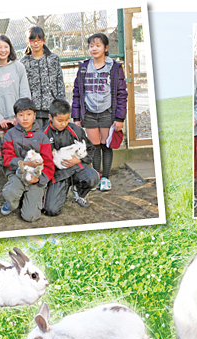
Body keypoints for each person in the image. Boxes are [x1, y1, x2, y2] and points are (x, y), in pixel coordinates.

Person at [71, 32, 127, 191]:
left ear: (106, 47)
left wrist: (120, 117)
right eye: (91, 46)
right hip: (89, 113)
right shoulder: (83, 68)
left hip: (107, 112)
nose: (94, 48)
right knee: (94, 146)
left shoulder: (114, 68)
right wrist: (76, 116)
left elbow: (122, 93)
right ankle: (96, 176)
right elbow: (77, 92)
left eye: (98, 45)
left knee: (106, 145)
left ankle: (105, 178)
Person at [0, 98, 54, 222]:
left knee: (30, 217)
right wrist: (24, 164)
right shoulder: (10, 134)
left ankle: (32, 196)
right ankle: (12, 203)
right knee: (9, 193)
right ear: (16, 117)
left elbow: (49, 163)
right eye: (21, 115)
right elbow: (7, 158)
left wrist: (40, 179)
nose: (25, 118)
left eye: (29, 114)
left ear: (34, 116)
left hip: (35, 177)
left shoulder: (41, 137)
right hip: (17, 174)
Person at [43, 99, 99, 215]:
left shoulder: (76, 130)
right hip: (58, 174)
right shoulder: (43, 134)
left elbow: (90, 149)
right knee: (51, 210)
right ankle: (58, 190)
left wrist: (79, 160)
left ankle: (80, 192)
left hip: (76, 167)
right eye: (60, 120)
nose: (63, 123)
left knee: (92, 177)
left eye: (67, 120)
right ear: (50, 117)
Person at [0, 34, 31, 138]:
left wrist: (20, 116)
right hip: (0, 123)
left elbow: (25, 93)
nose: (3, 50)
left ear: (10, 48)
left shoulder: (19, 67)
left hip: (19, 120)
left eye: (5, 47)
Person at [20, 26, 66, 129]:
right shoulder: (23, 62)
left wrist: (60, 105)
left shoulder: (53, 59)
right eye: (32, 40)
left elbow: (60, 83)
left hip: (52, 107)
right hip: (32, 109)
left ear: (44, 40)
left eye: (39, 40)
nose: (36, 43)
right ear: (27, 42)